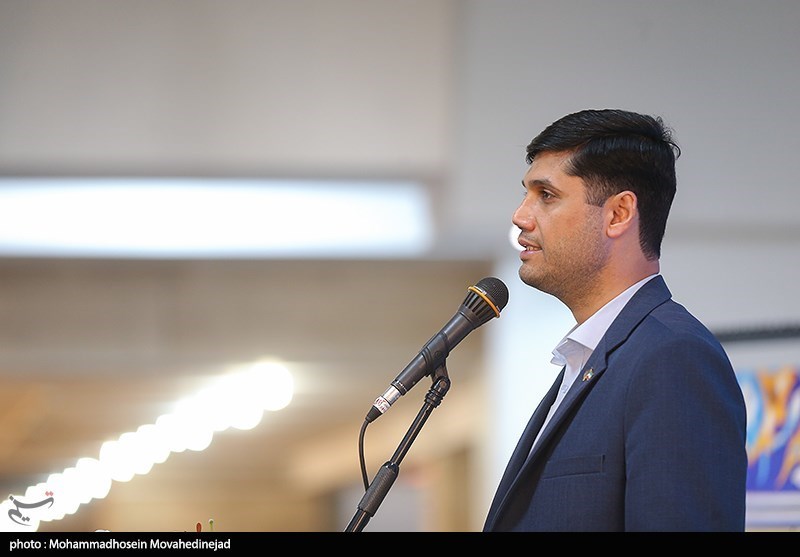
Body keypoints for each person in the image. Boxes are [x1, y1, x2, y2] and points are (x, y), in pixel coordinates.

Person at [482, 109, 748, 532]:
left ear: (619, 213)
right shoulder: (595, 357)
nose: (521, 216)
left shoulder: (672, 357)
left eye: (546, 195)